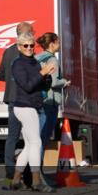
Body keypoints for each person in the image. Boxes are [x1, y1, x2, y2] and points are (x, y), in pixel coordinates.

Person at [7, 32, 57, 192]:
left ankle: (16, 180)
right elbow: (27, 86)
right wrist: (42, 73)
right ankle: (36, 181)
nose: (29, 48)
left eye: (31, 45)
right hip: (24, 106)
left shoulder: (34, 62)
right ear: (19, 47)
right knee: (36, 143)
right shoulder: (18, 64)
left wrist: (47, 77)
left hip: (34, 106)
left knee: (29, 145)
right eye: (25, 45)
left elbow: (41, 85)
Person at [0, 21, 33, 187]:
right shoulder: (27, 52)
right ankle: (28, 174)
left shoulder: (7, 51)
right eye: (31, 32)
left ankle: (10, 171)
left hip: (11, 99)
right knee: (30, 138)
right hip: (25, 100)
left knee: (12, 137)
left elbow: (0, 75)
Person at [35, 32, 70, 180]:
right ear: (52, 44)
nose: (60, 44)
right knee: (43, 138)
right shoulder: (52, 60)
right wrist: (65, 82)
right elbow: (54, 82)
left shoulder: (38, 58)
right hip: (50, 101)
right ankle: (38, 173)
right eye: (58, 42)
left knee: (37, 137)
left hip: (40, 100)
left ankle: (33, 171)